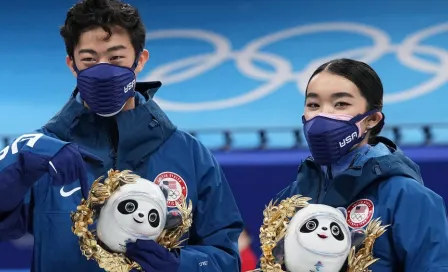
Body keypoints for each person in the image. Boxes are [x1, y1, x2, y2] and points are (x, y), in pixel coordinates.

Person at [0, 0, 243, 271]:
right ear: (72, 65)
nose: (103, 70)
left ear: (140, 60)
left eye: (116, 58)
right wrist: (14, 169)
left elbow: (227, 257)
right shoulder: (42, 153)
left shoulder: (190, 155)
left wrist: (180, 265)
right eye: (89, 59)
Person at [270, 58, 448, 271]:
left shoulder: (408, 197)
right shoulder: (290, 198)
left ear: (372, 119)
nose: (323, 115)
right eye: (313, 105)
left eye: (341, 104)